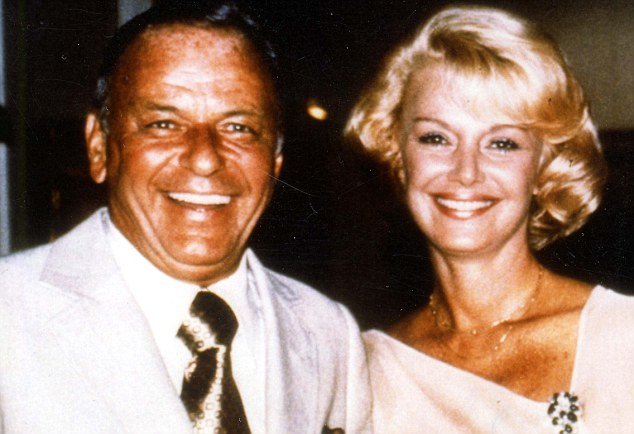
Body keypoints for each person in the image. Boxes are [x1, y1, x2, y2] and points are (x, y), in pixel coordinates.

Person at [0, 2, 371, 433]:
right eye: (163, 123)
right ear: (99, 146)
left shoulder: (329, 333)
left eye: (238, 128)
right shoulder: (9, 312)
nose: (205, 158)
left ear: (276, 159)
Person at [346, 5, 633, 433]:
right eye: (436, 138)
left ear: (544, 164)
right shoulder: (367, 374)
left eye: (501, 143)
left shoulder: (621, 337)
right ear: (397, 153)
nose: (466, 172)